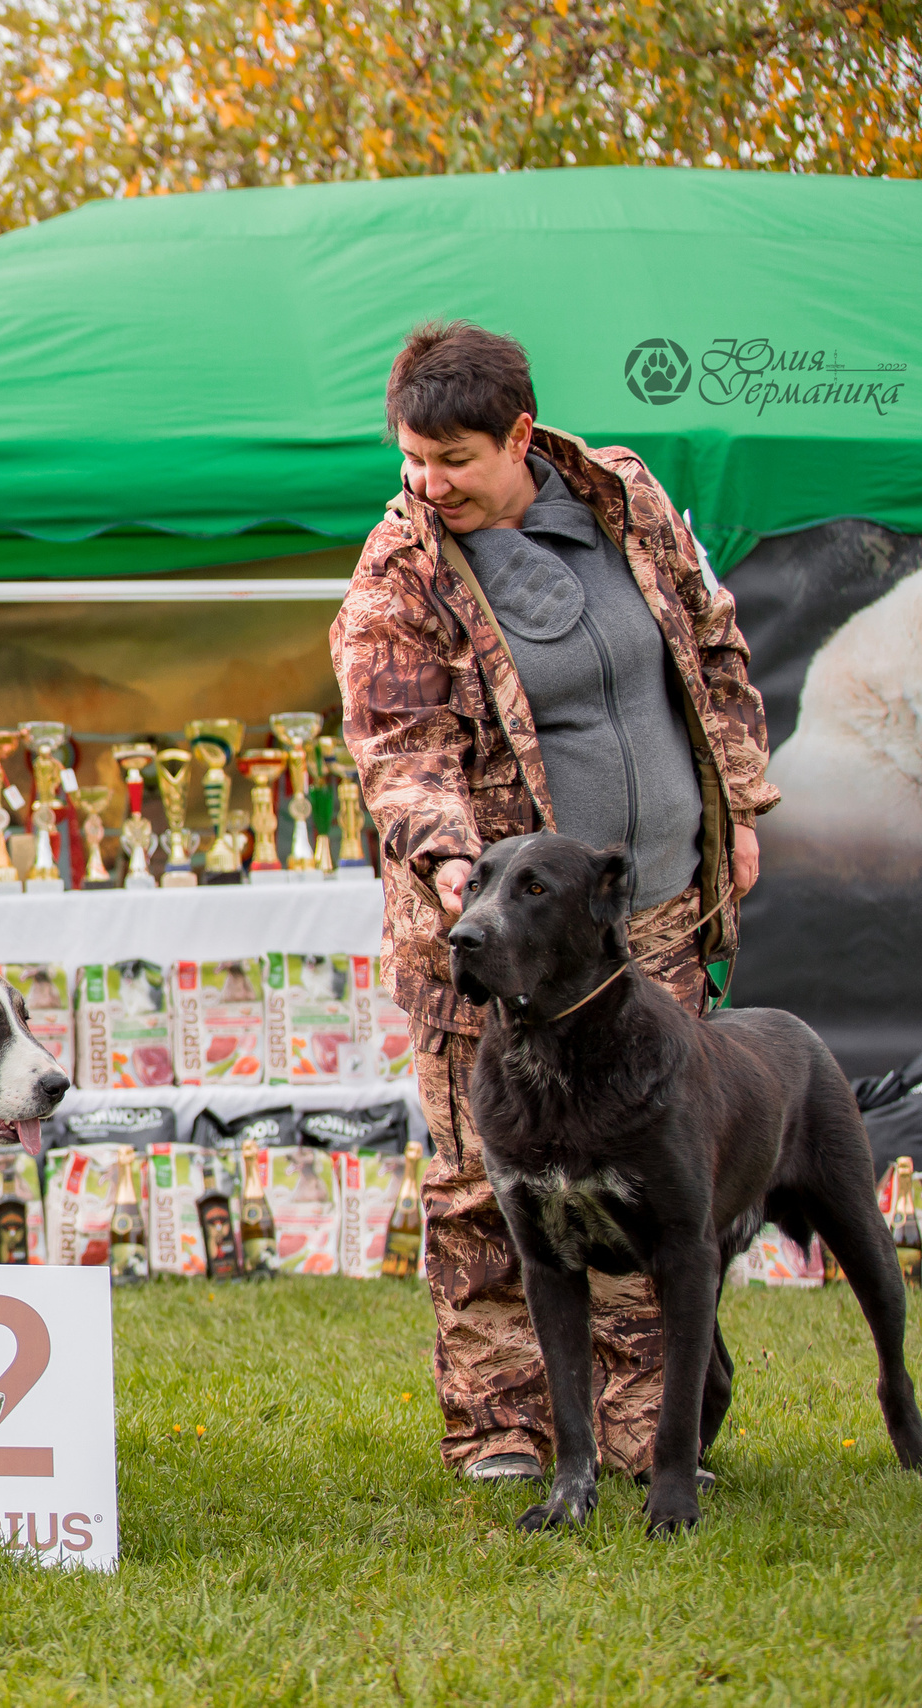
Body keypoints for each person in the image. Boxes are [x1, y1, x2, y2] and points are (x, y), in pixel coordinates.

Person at [331, 322, 778, 1483]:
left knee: (651, 1174)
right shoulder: (401, 568)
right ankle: (503, 1429)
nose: (427, 485)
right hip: (489, 937)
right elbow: (398, 745)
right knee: (489, 1187)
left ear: (520, 435)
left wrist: (738, 805)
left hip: (650, 922)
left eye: (454, 460)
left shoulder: (621, 495)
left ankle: (646, 1432)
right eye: (410, 459)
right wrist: (450, 876)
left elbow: (712, 647)